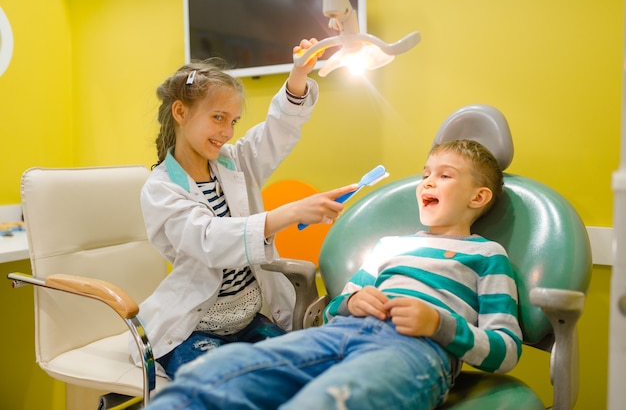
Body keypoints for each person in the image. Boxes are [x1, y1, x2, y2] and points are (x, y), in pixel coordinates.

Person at [142, 139, 524, 410]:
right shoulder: (389, 246)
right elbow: (332, 309)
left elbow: (505, 349)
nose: (427, 182)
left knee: (326, 400)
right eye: (426, 173)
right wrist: (354, 301)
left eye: (445, 176)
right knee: (219, 374)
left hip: (413, 351)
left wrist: (439, 324)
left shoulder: (488, 255)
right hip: (337, 336)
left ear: (478, 197)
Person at [129, 38, 357, 379]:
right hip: (192, 329)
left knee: (306, 369)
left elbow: (277, 131)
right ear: (180, 112)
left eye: (233, 121)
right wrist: (291, 213)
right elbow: (211, 240)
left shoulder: (234, 162)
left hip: (248, 322)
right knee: (227, 383)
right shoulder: (161, 189)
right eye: (218, 117)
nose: (227, 131)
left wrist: (299, 73)